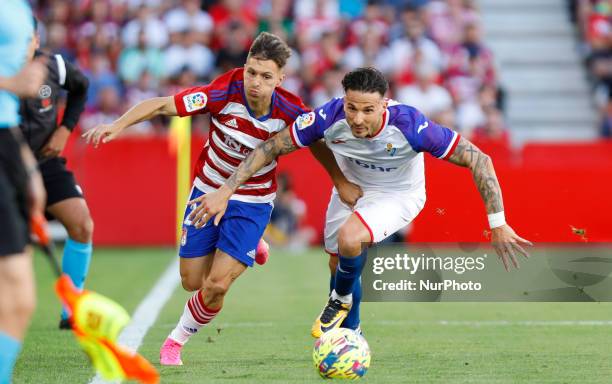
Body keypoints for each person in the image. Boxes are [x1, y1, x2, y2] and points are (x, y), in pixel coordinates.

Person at [188, 67, 532, 338]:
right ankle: (352, 334)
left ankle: (337, 301)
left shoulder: (411, 125)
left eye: (368, 110)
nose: (357, 119)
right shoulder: (329, 118)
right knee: (337, 263)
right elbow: (272, 146)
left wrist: (497, 223)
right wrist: (226, 190)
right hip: (351, 190)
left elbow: (480, 160)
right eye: (352, 108)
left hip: (399, 194)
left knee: (351, 240)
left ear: (385, 104)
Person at [82, 32, 360, 365]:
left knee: (215, 286)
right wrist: (118, 124)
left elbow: (316, 142)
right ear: (244, 68)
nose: (255, 82)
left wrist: (340, 181)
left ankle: (176, 340)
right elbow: (160, 104)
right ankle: (252, 245)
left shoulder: (290, 110)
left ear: (281, 79)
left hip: (252, 201)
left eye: (266, 76)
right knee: (192, 281)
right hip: (208, 190)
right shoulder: (221, 93)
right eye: (251, 72)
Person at [20, 19, 92, 330]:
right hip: (7, 166)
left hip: (45, 162)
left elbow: (81, 88)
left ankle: (71, 309)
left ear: (37, 38)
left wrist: (64, 129)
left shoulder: (54, 66)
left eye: (28, 38)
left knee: (81, 223)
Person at [0, 1, 47, 384]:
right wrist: (11, 83)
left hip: (6, 142)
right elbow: (12, 86)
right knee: (16, 289)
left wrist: (27, 165)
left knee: (18, 294)